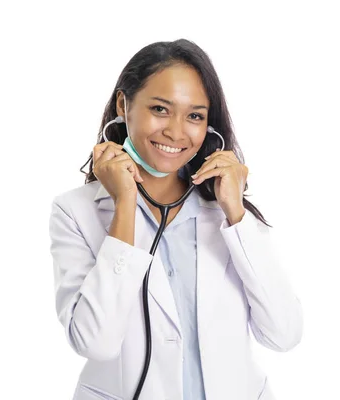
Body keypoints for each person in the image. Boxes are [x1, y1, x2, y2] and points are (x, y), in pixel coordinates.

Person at [48, 39, 303, 400]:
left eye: (195, 116)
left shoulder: (228, 213)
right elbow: (95, 341)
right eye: (160, 109)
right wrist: (125, 204)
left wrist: (235, 212)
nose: (176, 131)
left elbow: (284, 334)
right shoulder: (75, 212)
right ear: (124, 105)